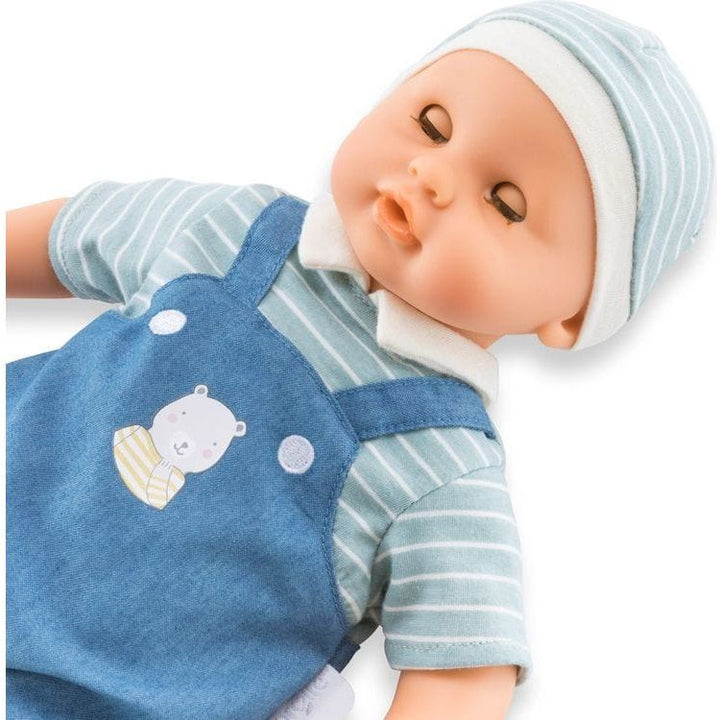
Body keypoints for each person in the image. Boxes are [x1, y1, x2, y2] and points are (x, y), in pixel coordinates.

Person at [5, 2, 714, 718]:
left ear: (573, 315)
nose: (432, 175)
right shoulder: (226, 226)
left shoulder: (443, 471)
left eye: (506, 203)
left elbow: (467, 671)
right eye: (433, 124)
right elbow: (71, 234)